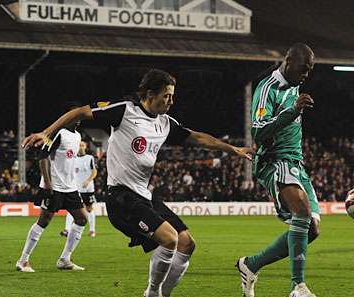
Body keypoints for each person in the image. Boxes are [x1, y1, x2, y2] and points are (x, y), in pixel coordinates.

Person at [23, 69, 253, 297]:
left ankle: (163, 294)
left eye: (172, 96)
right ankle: (152, 293)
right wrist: (47, 132)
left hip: (144, 196)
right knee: (170, 239)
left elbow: (198, 137)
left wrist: (233, 149)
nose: (171, 101)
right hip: (121, 198)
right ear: (150, 94)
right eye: (167, 95)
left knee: (186, 244)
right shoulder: (124, 110)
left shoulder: (165, 123)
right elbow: (81, 112)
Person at [236, 43, 319, 297]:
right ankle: (298, 286)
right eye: (304, 69)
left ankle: (250, 265)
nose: (306, 75)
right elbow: (258, 130)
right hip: (275, 160)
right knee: (302, 212)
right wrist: (293, 110)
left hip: (295, 162)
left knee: (311, 230)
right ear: (288, 60)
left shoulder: (295, 86)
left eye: (310, 71)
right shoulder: (267, 88)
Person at [16, 103, 88, 272]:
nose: (78, 119)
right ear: (67, 116)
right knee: (44, 221)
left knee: (82, 219)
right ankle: (23, 260)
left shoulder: (77, 136)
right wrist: (48, 183)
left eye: (79, 116)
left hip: (70, 188)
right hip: (54, 186)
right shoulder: (58, 133)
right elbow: (42, 157)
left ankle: (65, 259)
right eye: (74, 116)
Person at [61, 141, 98, 238]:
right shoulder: (73, 158)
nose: (81, 147)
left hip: (88, 189)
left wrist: (88, 181)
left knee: (89, 209)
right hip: (75, 189)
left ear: (85, 147)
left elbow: (94, 172)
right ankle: (67, 229)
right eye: (79, 145)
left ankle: (92, 230)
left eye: (82, 145)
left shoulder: (90, 158)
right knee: (71, 209)